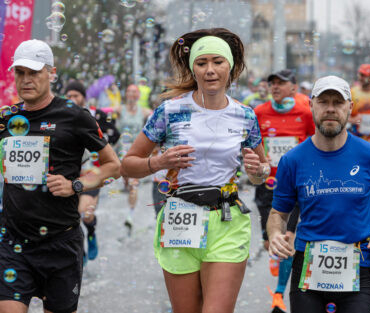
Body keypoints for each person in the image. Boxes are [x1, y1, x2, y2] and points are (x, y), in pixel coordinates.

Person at [120, 28, 270, 313]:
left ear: (231, 66)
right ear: (193, 68)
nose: (210, 70)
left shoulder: (245, 116)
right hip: (181, 217)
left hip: (226, 220)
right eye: (202, 63)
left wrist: (258, 170)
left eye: (218, 62)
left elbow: (260, 170)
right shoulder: (169, 111)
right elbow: (128, 164)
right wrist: (159, 163)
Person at [267, 75, 370, 313]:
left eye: (338, 102)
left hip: (359, 266)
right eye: (323, 102)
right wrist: (274, 235)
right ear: (311, 105)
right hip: (307, 268)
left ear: (350, 108)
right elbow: (277, 213)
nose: (330, 109)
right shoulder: (292, 160)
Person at [0, 39, 121, 313]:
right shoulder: (5, 119)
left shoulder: (74, 116)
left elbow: (113, 165)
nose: (26, 79)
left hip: (60, 242)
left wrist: (75, 185)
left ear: (51, 74)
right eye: (20, 72)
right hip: (12, 243)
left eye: (34, 72)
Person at [256, 69, 315, 313]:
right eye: (272, 83)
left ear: (294, 87)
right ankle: (273, 252)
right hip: (267, 185)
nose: (276, 86)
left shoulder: (304, 113)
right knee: (270, 242)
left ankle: (279, 294)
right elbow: (251, 145)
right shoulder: (259, 113)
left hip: (294, 186)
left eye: (281, 83)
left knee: (287, 239)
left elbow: (315, 144)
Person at [64, 80, 121, 264]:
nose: (72, 99)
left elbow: (116, 133)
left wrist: (98, 142)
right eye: (69, 96)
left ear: (83, 97)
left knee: (84, 213)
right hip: (68, 174)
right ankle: (78, 249)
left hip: (92, 172)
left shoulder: (95, 115)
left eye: (76, 95)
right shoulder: (60, 117)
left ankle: (91, 232)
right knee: (71, 216)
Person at [116, 84, 152, 233]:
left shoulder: (144, 112)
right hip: (121, 149)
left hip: (136, 151)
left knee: (133, 183)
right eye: (129, 91)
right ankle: (126, 184)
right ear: (125, 94)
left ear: (138, 96)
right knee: (126, 179)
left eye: (134, 92)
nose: (131, 94)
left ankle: (130, 216)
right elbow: (100, 112)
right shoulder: (118, 110)